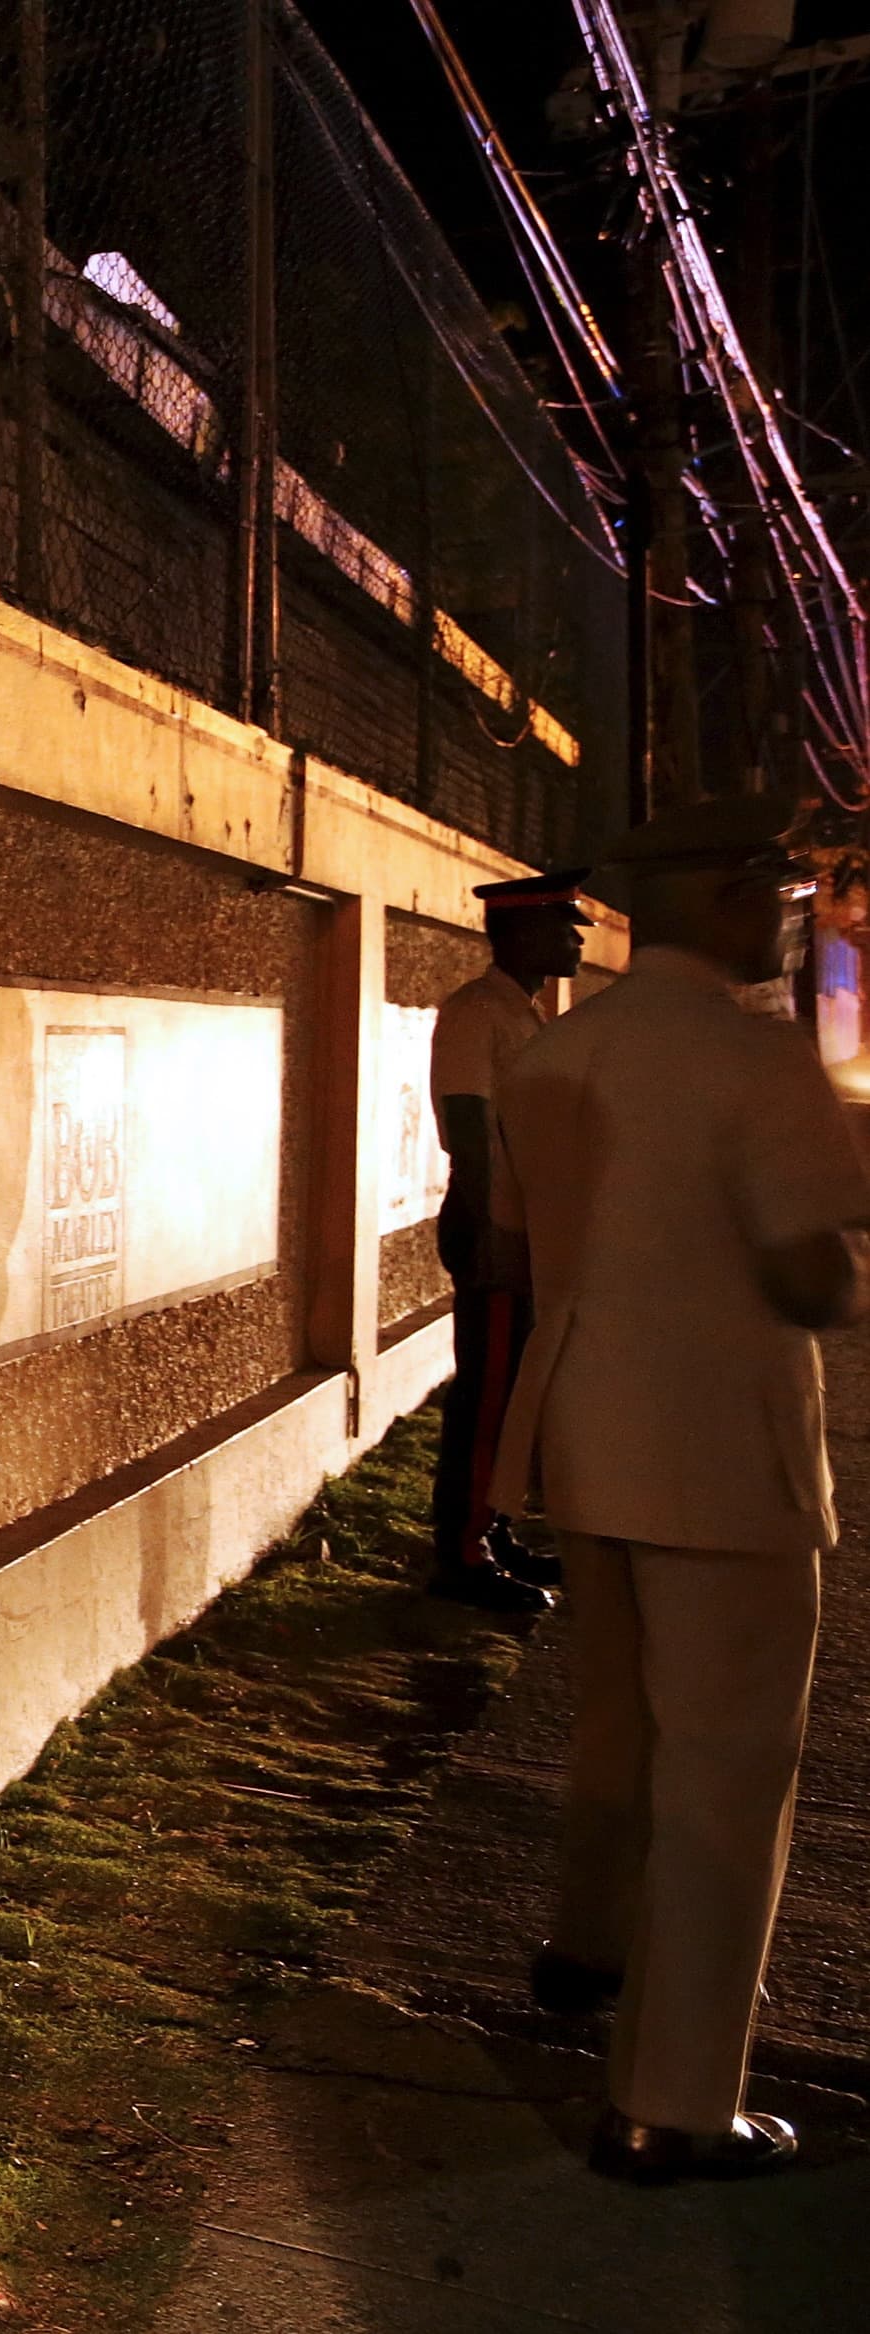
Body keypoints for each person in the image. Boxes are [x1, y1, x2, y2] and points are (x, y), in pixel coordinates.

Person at [488, 790, 870, 2182]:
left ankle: (585, 1947)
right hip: (722, 1450)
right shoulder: (756, 1062)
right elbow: (805, 1267)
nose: (787, 909)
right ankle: (674, 2098)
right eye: (774, 887)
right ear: (713, 897)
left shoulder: (554, 1051)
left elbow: (528, 1238)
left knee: (618, 1720)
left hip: (584, 1424)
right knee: (727, 1769)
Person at [423, 870, 593, 1614]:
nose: (578, 936)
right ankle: (462, 1553)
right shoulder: (477, 1013)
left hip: (523, 1229)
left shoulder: (521, 1012)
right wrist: (489, 1223)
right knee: (485, 1396)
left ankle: (491, 1528)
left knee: (510, 1391)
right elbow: (468, 1124)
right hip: (494, 1225)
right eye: (564, 923)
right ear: (524, 932)